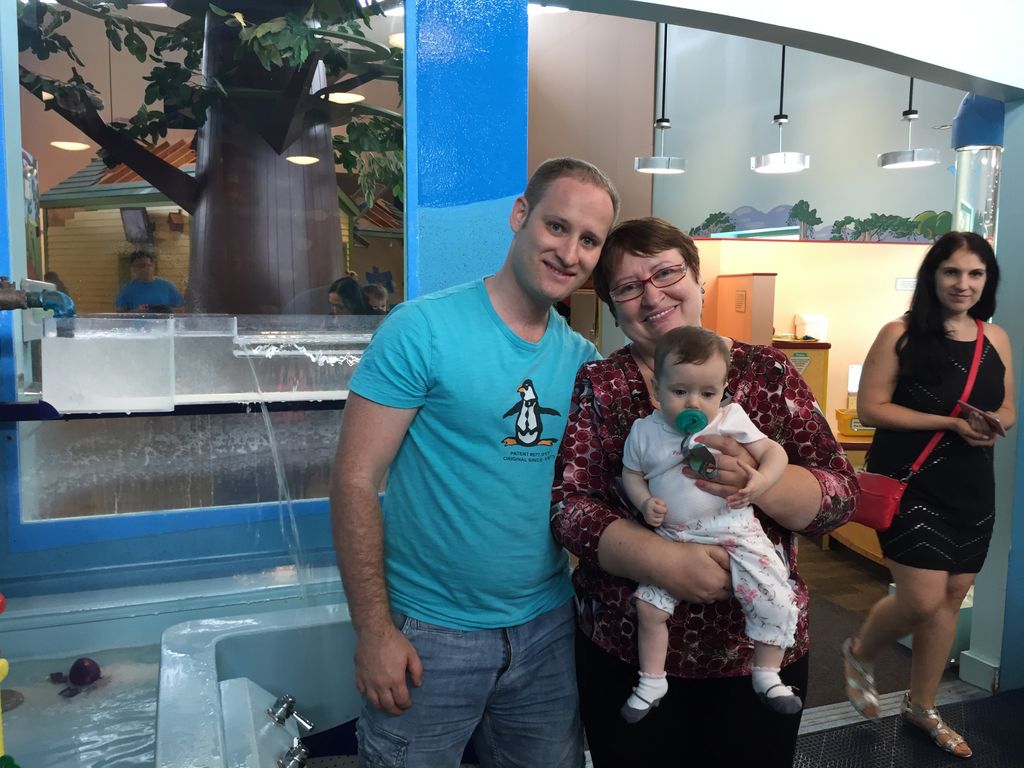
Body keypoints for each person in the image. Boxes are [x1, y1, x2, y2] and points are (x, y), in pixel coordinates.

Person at [330, 157, 619, 767]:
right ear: (520, 215)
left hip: (546, 630)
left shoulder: (583, 361)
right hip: (428, 633)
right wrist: (374, 630)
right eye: (557, 226)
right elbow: (355, 480)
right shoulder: (422, 329)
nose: (570, 253)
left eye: (589, 240)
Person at [550, 217, 857, 768]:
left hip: (754, 657)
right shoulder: (601, 384)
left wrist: (757, 481)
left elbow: (841, 495)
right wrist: (663, 561)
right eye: (628, 286)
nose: (653, 296)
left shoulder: (768, 373)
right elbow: (570, 508)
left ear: (698, 281)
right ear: (612, 307)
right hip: (625, 648)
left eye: (667, 273)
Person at [842, 231, 1014, 759]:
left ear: (987, 281)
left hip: (972, 484)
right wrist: (951, 423)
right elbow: (871, 409)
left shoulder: (995, 337)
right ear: (932, 276)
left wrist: (994, 423)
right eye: (952, 272)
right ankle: (861, 649)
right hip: (911, 482)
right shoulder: (899, 334)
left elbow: (1009, 406)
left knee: (951, 595)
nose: (964, 284)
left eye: (975, 274)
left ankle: (922, 706)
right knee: (919, 598)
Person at [619, 325, 799, 723]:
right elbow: (631, 474)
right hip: (674, 537)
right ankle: (652, 680)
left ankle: (767, 673)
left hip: (735, 530)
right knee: (649, 607)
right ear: (656, 388)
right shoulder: (645, 432)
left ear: (723, 391)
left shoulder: (729, 420)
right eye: (680, 391)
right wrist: (644, 501)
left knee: (774, 593)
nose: (693, 403)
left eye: (707, 393)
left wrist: (761, 482)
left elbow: (775, 452)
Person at [114, 251, 184, 312]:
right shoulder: (127, 289)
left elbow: (182, 310)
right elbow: (120, 315)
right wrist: (136, 312)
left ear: (153, 265)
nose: (144, 269)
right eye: (140, 266)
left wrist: (165, 310)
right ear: (133, 268)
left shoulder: (168, 286)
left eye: (147, 265)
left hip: (164, 323)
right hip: (137, 323)